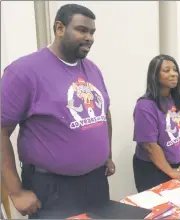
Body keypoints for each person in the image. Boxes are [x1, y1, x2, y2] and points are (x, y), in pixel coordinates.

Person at [1, 4, 114, 218]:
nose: (89, 37)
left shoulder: (92, 68)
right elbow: (1, 131)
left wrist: (106, 155)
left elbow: (103, 113)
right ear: (59, 28)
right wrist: (15, 191)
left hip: (96, 182)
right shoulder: (24, 71)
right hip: (53, 189)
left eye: (92, 32)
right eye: (82, 30)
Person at [132, 55, 180, 193]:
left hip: (178, 164)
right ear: (155, 76)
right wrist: (171, 172)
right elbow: (149, 146)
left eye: (175, 70)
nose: (173, 74)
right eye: (167, 70)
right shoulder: (145, 106)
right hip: (153, 169)